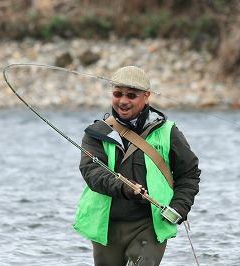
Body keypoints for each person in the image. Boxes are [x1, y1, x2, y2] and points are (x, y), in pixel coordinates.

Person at [73, 66, 201, 266]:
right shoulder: (95, 133)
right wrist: (124, 188)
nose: (123, 101)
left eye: (131, 95)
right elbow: (93, 174)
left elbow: (189, 174)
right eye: (118, 94)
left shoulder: (169, 132)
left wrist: (179, 207)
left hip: (149, 224)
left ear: (146, 96)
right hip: (106, 225)